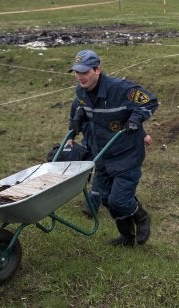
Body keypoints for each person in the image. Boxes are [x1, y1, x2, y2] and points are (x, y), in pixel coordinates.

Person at [68, 49, 158, 246]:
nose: (80, 77)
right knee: (108, 200)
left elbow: (150, 101)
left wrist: (135, 119)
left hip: (126, 154)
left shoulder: (121, 89)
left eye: (85, 72)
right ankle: (127, 238)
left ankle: (142, 217)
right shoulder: (81, 92)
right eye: (77, 72)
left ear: (98, 69)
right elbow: (82, 107)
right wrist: (76, 121)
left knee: (119, 200)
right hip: (102, 154)